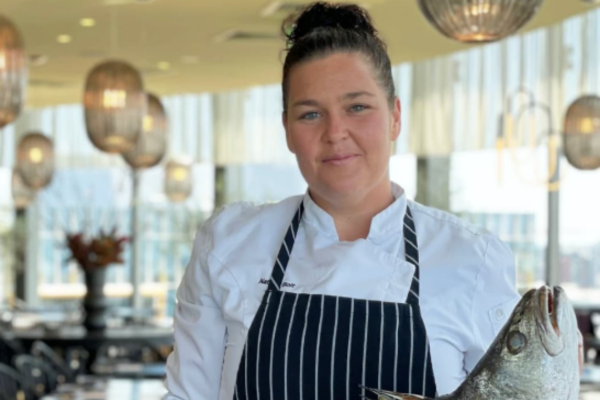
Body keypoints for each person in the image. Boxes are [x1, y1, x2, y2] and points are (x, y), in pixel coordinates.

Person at [164, 3, 583, 399]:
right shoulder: (229, 244)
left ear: (395, 117)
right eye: (310, 114)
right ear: (287, 129)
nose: (335, 132)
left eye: (358, 107)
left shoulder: (472, 260)